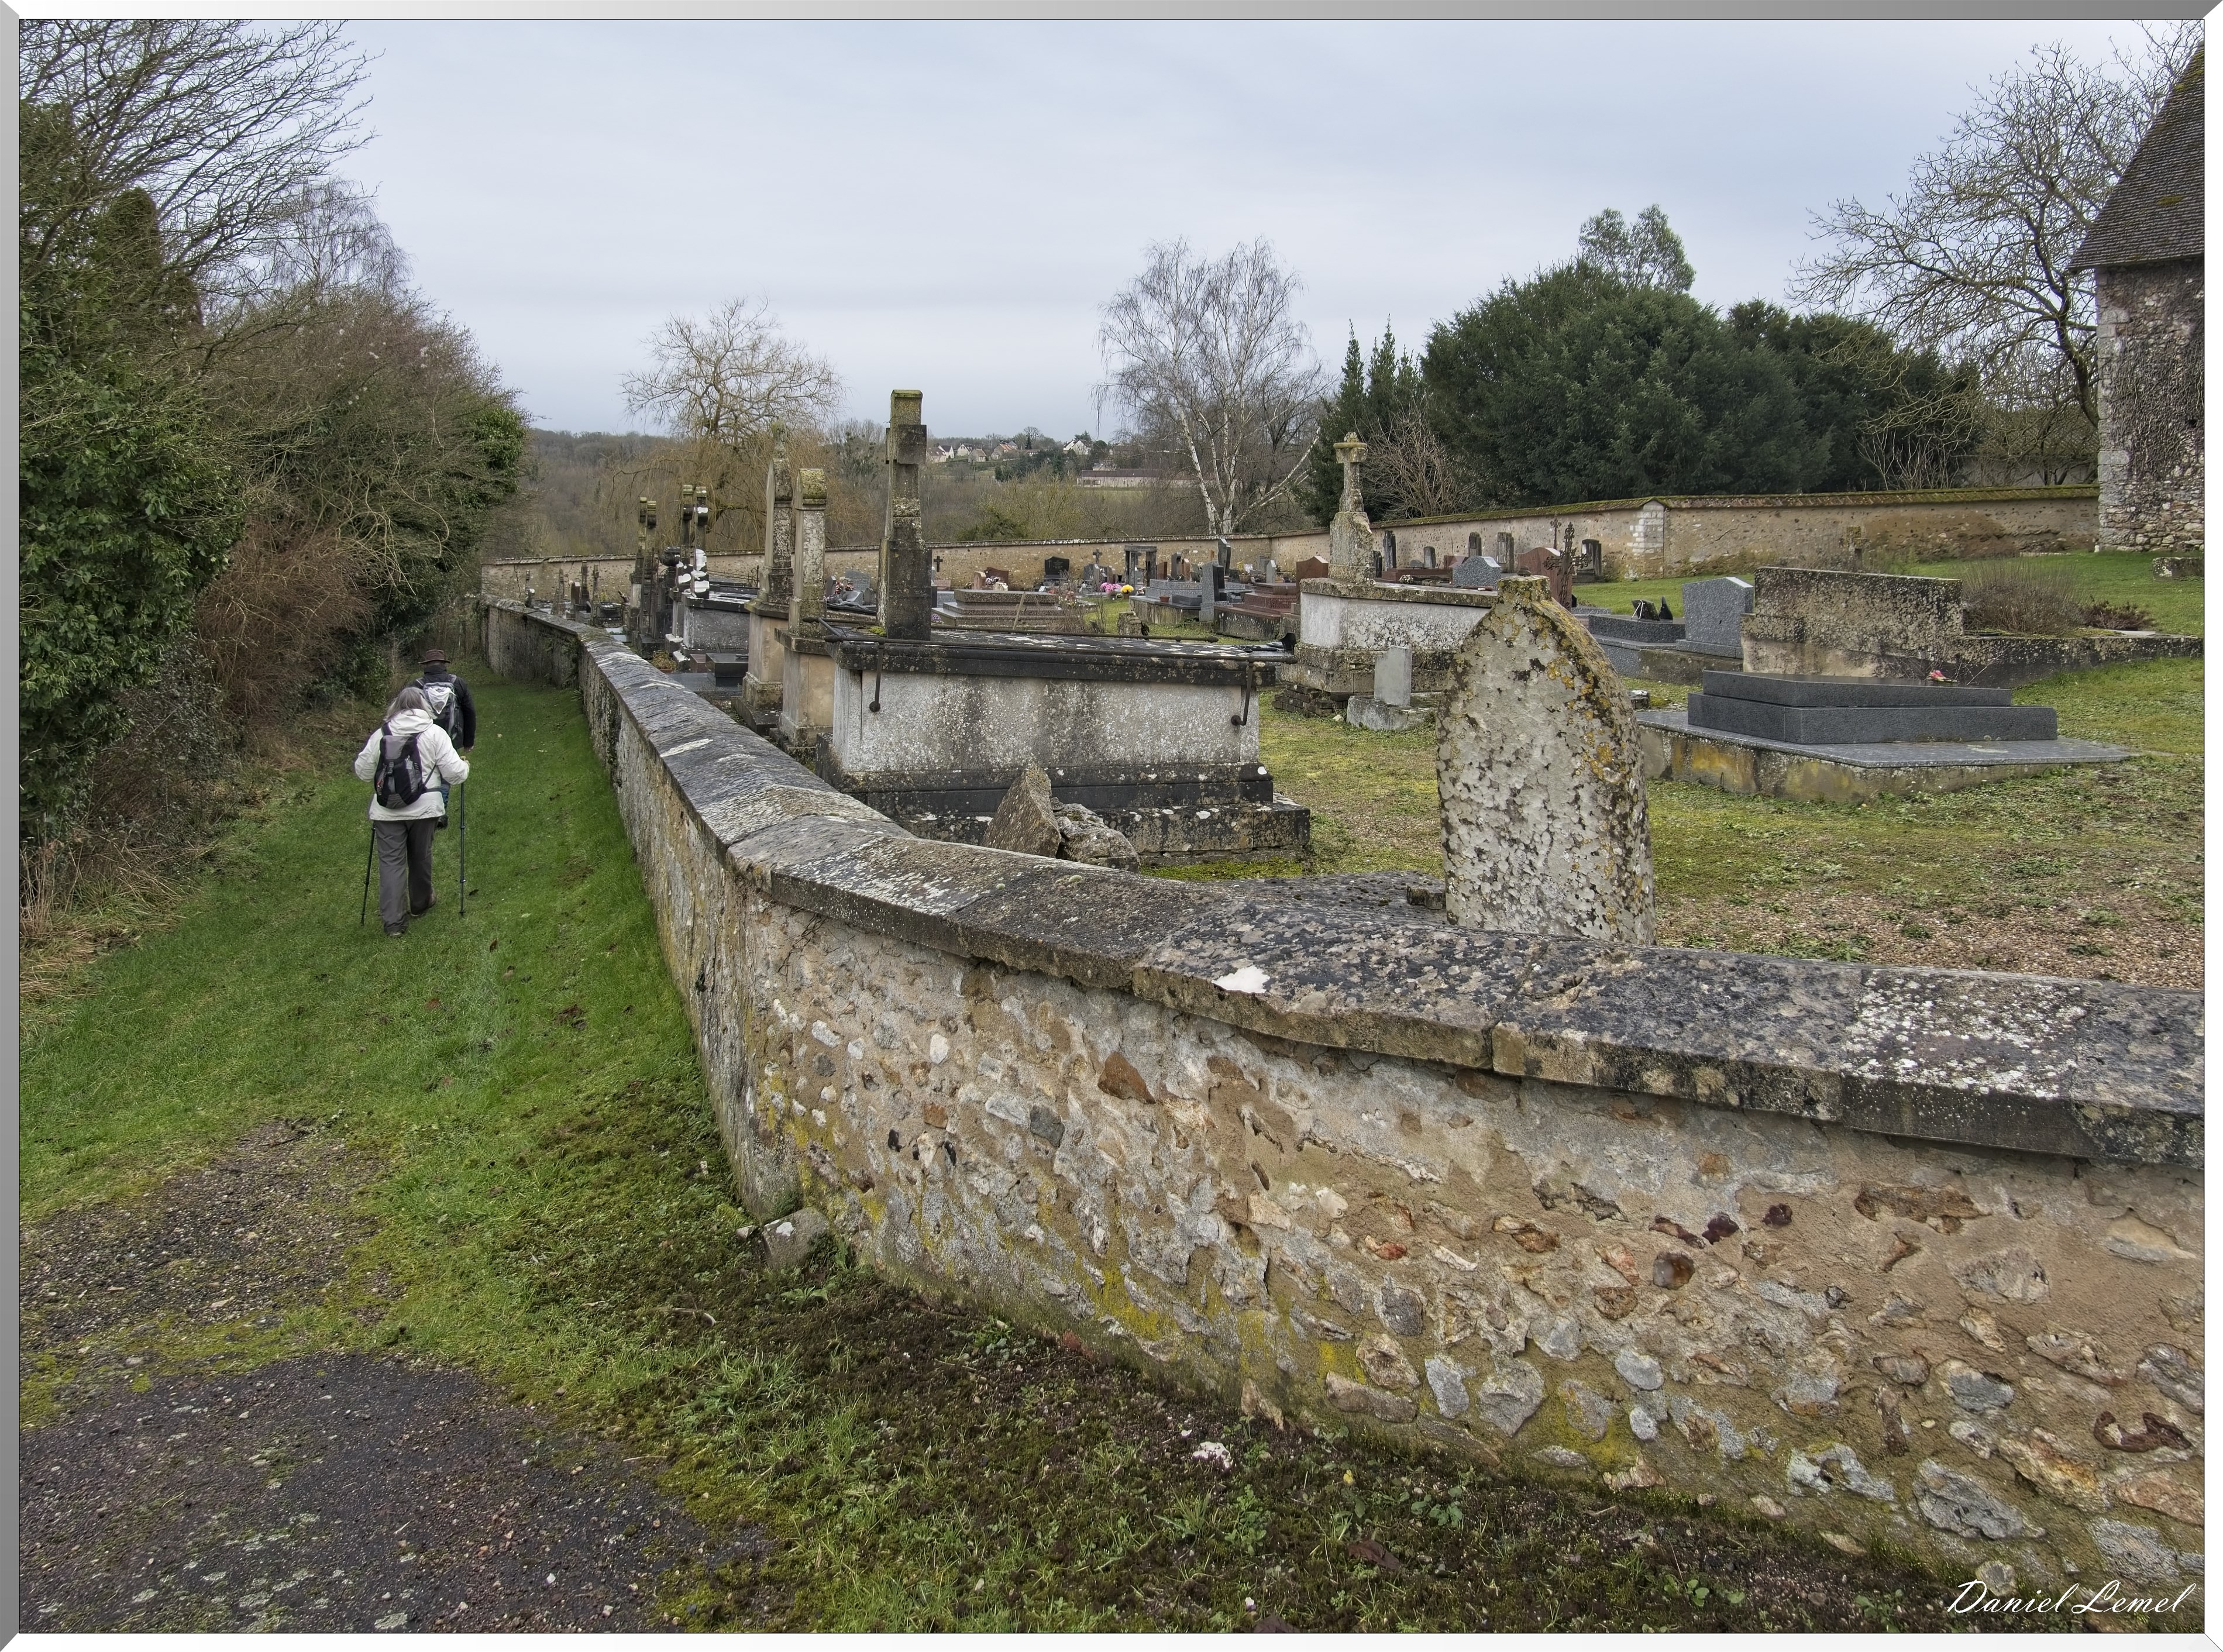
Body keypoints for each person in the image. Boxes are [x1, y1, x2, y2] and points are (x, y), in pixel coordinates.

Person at [355, 684, 469, 937]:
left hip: (387, 811)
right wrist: (465, 766)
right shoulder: (434, 732)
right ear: (423, 706)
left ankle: (394, 923)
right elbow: (455, 774)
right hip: (425, 808)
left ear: (395, 708)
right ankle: (420, 904)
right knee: (421, 856)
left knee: (391, 862)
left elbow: (362, 771)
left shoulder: (382, 734)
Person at [411, 648, 476, 827]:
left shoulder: (416, 686)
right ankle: (440, 812)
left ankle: (422, 808)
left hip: (422, 740)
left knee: (424, 772)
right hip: (450, 737)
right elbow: (470, 712)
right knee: (446, 775)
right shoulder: (458, 683)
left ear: (425, 666)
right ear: (444, 665)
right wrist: (468, 742)